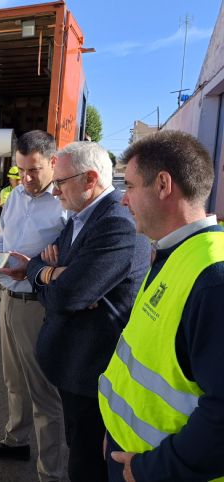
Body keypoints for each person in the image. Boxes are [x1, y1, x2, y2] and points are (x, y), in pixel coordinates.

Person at [12, 142, 150, 482]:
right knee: (79, 446)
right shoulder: (80, 216)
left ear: (89, 179)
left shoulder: (116, 223)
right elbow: (44, 266)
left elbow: (67, 296)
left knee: (88, 464)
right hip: (74, 367)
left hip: (92, 373)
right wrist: (48, 273)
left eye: (60, 182)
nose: (55, 191)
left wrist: (57, 277)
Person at [98, 130, 224, 481]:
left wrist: (150, 470)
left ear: (163, 185)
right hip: (130, 454)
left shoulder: (214, 278)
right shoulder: (174, 253)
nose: (124, 200)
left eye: (131, 186)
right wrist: (114, 429)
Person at [0, 130, 69, 482]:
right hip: (8, 298)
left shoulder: (65, 203)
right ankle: (16, 440)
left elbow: (73, 257)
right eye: (21, 170)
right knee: (13, 381)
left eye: (34, 170)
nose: (26, 178)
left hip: (38, 305)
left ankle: (51, 472)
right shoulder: (15, 195)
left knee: (43, 393)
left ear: (53, 163)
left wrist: (45, 263)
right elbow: (3, 235)